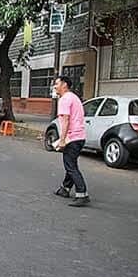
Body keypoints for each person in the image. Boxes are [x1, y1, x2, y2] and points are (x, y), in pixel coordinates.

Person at [52, 75, 90, 207]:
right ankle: (65, 188)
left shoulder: (64, 99)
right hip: (80, 137)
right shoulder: (74, 97)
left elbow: (66, 120)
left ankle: (82, 193)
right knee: (71, 163)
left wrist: (62, 140)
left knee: (71, 166)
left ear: (64, 85)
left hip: (72, 138)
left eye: (56, 84)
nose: (55, 86)